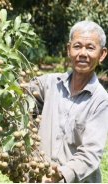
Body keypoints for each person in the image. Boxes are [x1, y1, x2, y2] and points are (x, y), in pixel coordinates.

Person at [27, 20, 108, 183]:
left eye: (90, 47)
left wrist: (62, 174)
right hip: (38, 178)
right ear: (68, 50)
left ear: (102, 54)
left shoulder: (100, 100)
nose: (83, 53)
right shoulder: (48, 83)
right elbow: (23, 92)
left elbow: (90, 153)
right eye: (77, 46)